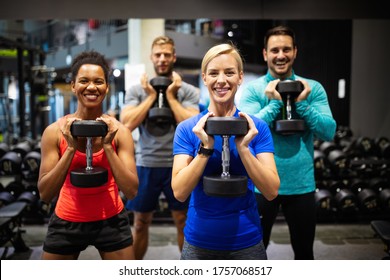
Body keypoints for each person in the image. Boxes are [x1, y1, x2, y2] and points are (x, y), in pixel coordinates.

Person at [171, 43, 280, 260]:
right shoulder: (187, 129)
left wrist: (244, 148)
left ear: (240, 77)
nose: (221, 80)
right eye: (213, 73)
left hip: (246, 240)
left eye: (229, 72)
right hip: (199, 240)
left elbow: (271, 190)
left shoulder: (257, 128)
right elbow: (180, 192)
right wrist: (206, 149)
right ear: (204, 77)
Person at [239, 25, 336, 259]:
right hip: (261, 184)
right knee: (254, 253)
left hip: (301, 183)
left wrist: (302, 103)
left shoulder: (312, 88)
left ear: (295, 52)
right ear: (265, 54)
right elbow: (245, 129)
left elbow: (328, 131)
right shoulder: (254, 90)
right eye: (274, 50)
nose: (280, 55)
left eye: (286, 49)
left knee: (304, 254)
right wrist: (274, 103)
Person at [37, 50, 139, 260]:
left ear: (107, 87)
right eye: (84, 81)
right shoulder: (54, 132)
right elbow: (45, 194)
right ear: (73, 85)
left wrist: (109, 147)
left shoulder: (121, 132)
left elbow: (131, 191)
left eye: (98, 81)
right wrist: (71, 149)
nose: (91, 87)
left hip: (111, 219)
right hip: (67, 219)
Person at [120, 36, 200, 260]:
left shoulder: (188, 91)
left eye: (167, 54)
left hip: (180, 165)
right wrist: (152, 96)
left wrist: (172, 97)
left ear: (174, 56)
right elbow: (126, 124)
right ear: (151, 58)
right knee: (140, 223)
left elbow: (193, 125)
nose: (162, 59)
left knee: (182, 221)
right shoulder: (138, 90)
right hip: (146, 164)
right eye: (158, 55)